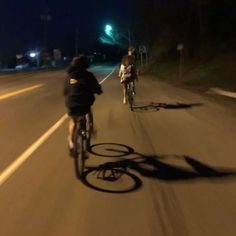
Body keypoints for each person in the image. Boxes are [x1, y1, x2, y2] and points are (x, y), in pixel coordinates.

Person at [63, 55, 103, 155]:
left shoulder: (69, 76)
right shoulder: (88, 75)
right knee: (88, 111)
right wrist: (98, 91)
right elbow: (97, 88)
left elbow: (65, 91)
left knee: (73, 120)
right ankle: (91, 128)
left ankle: (71, 141)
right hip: (84, 103)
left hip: (71, 103)